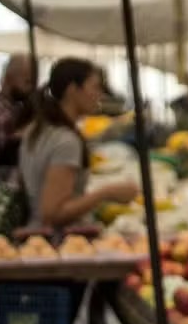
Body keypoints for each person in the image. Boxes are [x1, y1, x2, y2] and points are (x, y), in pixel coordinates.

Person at [19, 58, 138, 228]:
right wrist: (106, 193)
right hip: (60, 238)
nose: (100, 95)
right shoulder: (66, 141)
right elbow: (52, 214)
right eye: (95, 87)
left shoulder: (38, 129)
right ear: (72, 90)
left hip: (35, 232)